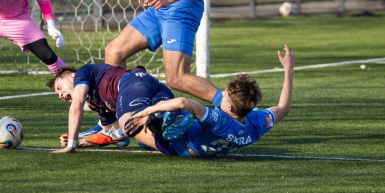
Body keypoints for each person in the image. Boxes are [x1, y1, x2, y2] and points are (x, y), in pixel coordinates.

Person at [121, 44, 294, 158]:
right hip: (203, 144)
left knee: (129, 123)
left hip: (178, 144)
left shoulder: (219, 121)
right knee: (166, 114)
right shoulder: (256, 123)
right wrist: (288, 69)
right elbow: (283, 108)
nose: (222, 94)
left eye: (224, 95)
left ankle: (133, 127)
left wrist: (147, 112)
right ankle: (171, 118)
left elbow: (183, 102)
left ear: (231, 107)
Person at [47, 63, 174, 154]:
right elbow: (115, 136)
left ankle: (160, 114)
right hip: (155, 87)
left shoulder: (82, 72)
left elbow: (77, 105)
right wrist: (82, 142)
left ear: (72, 77)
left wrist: (71, 143)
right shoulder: (98, 103)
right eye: (58, 95)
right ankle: (174, 115)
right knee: (141, 136)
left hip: (132, 82)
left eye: (59, 88)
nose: (60, 95)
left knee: (128, 124)